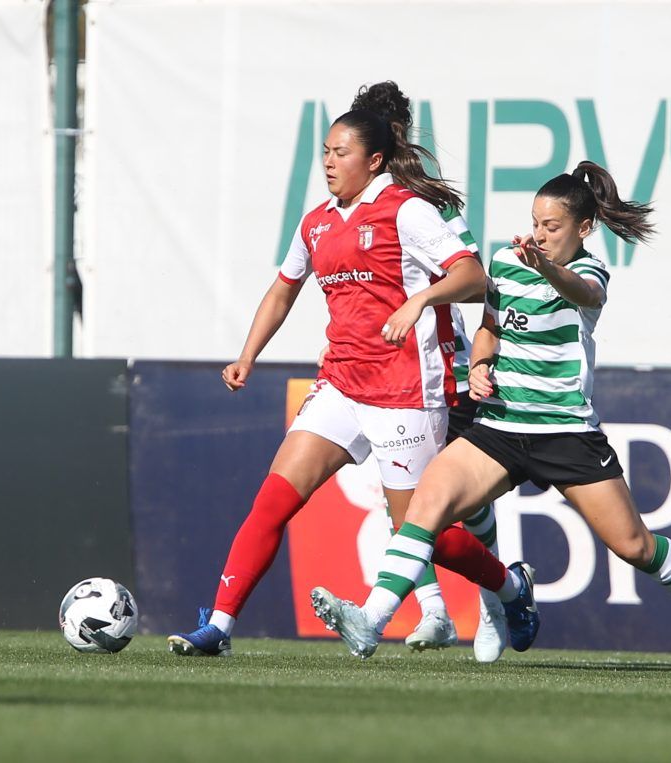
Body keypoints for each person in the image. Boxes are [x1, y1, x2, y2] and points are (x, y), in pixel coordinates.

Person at [311, 161, 671, 676]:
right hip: (501, 426)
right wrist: (480, 365)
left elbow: (585, 294)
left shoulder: (589, 272)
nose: (540, 234)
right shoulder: (505, 260)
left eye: (552, 226)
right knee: (425, 507)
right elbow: (490, 328)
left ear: (584, 228)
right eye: (536, 223)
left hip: (564, 432)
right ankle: (372, 619)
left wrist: (544, 267)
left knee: (634, 546)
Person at [168, 84, 515, 658]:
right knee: (272, 502)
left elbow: (475, 277)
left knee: (424, 535)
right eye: (325, 152)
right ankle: (220, 627)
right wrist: (248, 355)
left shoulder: (408, 210)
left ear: (374, 160)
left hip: (405, 391)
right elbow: (283, 290)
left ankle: (509, 589)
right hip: (341, 386)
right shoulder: (317, 223)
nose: (328, 162)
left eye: (341, 152)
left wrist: (419, 301)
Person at [346, 82, 508, 662]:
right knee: (403, 493)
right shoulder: (347, 206)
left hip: (439, 366)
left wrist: (426, 307)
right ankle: (437, 610)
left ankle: (495, 602)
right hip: (375, 368)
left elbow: (475, 277)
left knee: (461, 501)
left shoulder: (422, 202)